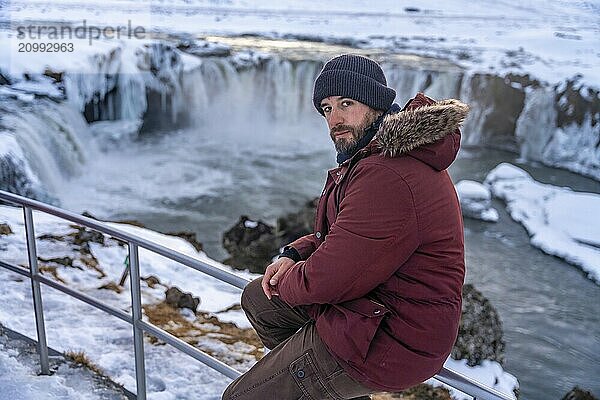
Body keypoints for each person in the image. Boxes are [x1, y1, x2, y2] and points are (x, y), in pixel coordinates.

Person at [222, 54, 468, 400]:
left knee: (242, 397)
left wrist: (289, 277)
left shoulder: (389, 173)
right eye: (326, 108)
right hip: (371, 308)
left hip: (393, 338)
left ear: (377, 104)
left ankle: (317, 378)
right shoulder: (376, 156)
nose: (334, 119)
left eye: (346, 103)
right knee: (259, 298)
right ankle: (320, 385)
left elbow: (328, 279)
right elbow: (347, 234)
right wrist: (294, 253)